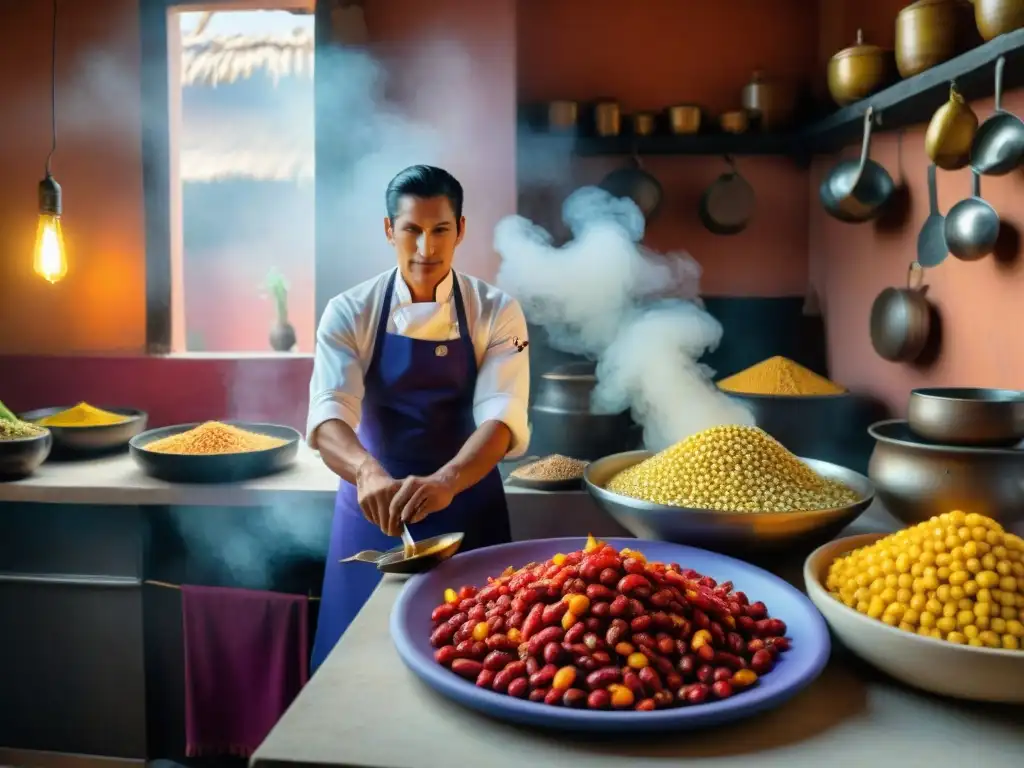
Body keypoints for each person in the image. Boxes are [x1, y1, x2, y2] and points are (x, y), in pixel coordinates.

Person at [306, 165, 530, 672]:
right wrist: (367, 473)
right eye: (411, 230)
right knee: (356, 670)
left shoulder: (497, 311)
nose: (426, 248)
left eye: (440, 230)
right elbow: (328, 416)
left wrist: (448, 480)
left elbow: (501, 417)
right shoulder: (349, 311)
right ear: (389, 230)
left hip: (468, 508)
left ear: (461, 229)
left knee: (484, 664)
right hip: (374, 509)